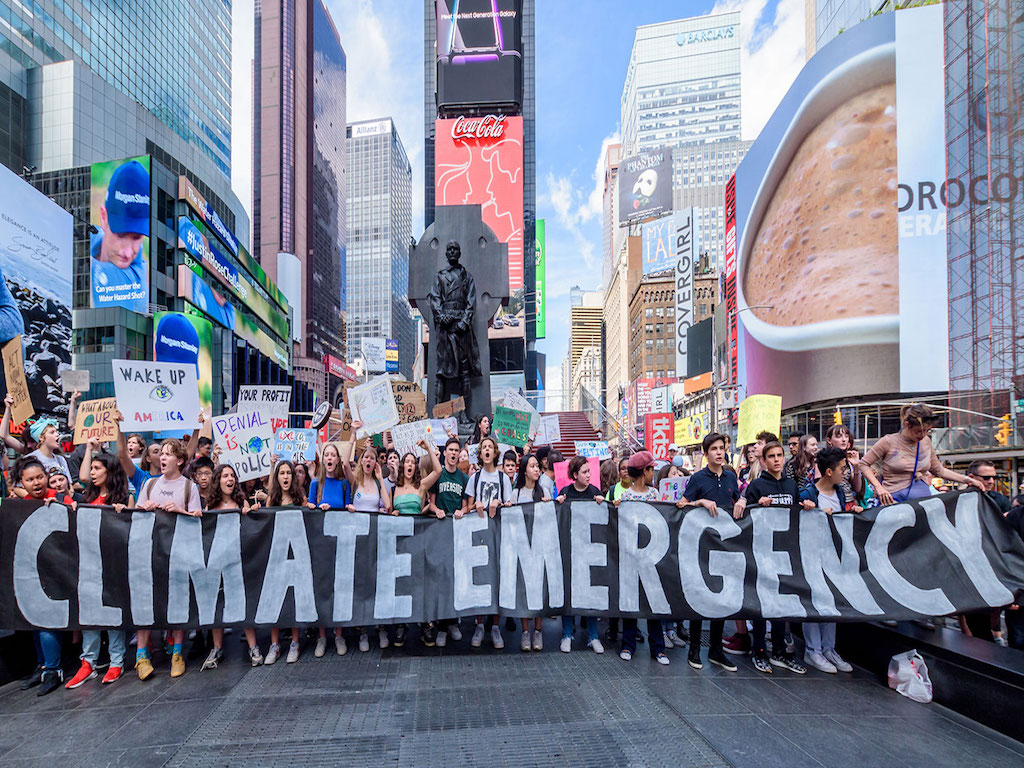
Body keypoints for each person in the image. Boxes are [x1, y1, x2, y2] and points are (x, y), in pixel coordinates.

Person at [132, 438, 202, 680]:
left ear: (180, 461)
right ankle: (142, 656)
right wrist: (144, 508)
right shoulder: (150, 484)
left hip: (179, 555)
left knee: (178, 602)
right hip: (150, 554)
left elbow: (198, 518)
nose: (162, 457)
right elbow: (135, 517)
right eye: (161, 453)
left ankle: (177, 653)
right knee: (145, 603)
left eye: (168, 454)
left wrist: (180, 511)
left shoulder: (189, 488)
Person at [738, 440, 807, 675]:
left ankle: (779, 651)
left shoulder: (791, 485)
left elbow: (796, 512)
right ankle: (759, 651)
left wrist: (807, 506)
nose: (776, 460)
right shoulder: (757, 485)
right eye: (771, 456)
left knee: (781, 603)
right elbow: (744, 515)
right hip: (762, 551)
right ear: (764, 461)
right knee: (762, 604)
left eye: (779, 455)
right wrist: (757, 505)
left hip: (785, 552)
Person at [678, 433, 741, 672]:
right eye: (714, 448)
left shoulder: (731, 477)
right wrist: (700, 502)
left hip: (724, 548)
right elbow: (681, 505)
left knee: (721, 599)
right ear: (706, 454)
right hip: (700, 546)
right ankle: (694, 648)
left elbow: (736, 501)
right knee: (699, 595)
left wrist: (743, 500)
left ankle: (716, 650)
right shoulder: (697, 478)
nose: (719, 452)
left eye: (721, 448)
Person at [12, 456, 73, 696]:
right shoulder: (18, 506)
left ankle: (53, 670)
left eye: (39, 477)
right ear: (22, 482)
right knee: (33, 623)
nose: (36, 483)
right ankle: (43, 666)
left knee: (46, 622)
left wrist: (63, 509)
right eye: (30, 480)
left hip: (58, 573)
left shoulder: (61, 498)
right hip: (31, 574)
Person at [799, 446, 863, 673]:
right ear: (829, 471)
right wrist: (814, 512)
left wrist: (853, 512)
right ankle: (812, 650)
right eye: (842, 469)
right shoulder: (808, 494)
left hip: (835, 555)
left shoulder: (840, 493)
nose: (844, 473)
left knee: (831, 601)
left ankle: (828, 648)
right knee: (814, 601)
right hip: (813, 555)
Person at [858, 404, 985, 504]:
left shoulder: (926, 442)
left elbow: (939, 470)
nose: (923, 435)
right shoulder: (888, 441)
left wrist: (968, 480)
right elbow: (863, 464)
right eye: (919, 431)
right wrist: (878, 487)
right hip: (894, 500)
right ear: (907, 425)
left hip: (921, 502)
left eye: (927, 431)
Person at [201, 464, 260, 670]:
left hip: (238, 562)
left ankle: (253, 647)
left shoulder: (241, 502)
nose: (230, 479)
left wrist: (250, 513)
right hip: (216, 563)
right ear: (218, 480)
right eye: (225, 476)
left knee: (242, 604)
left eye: (232, 476)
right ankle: (217, 648)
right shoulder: (210, 505)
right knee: (217, 605)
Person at [343, 427, 393, 651]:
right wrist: (353, 435)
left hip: (376, 540)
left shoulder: (378, 482)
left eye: (372, 459)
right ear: (362, 461)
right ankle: (362, 631)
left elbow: (388, 506)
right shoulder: (355, 481)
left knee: (377, 583)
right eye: (366, 458)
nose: (369, 461)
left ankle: (380, 628)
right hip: (358, 541)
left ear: (376, 463)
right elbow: (345, 464)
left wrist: (381, 479)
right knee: (361, 584)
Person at [616, 451, 669, 665]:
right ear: (644, 471)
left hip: (652, 559)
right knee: (631, 602)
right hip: (631, 557)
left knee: (654, 602)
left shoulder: (655, 494)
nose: (653, 473)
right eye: (651, 469)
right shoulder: (625, 497)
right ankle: (628, 645)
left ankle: (658, 648)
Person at [389, 441, 443, 647]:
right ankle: (401, 624)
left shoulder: (421, 486)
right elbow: (388, 512)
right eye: (407, 461)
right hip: (400, 542)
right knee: (402, 582)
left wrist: (428, 448)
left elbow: (438, 470)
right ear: (402, 466)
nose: (410, 464)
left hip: (418, 540)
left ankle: (425, 623)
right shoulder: (395, 489)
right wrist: (393, 513)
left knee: (420, 582)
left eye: (413, 462)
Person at [465, 437, 513, 649]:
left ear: (495, 453)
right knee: (479, 579)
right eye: (483, 447)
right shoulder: (474, 478)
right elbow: (466, 507)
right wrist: (474, 504)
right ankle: (479, 624)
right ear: (480, 453)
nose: (486, 450)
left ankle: (494, 627)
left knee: (496, 580)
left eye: (490, 447)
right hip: (478, 536)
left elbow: (510, 505)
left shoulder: (503, 479)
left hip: (498, 535)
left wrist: (499, 502)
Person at [555, 455, 605, 654]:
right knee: (569, 594)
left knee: (589, 595)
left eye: (589, 471)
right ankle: (567, 634)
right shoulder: (565, 492)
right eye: (584, 472)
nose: (588, 475)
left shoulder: (595, 492)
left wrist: (603, 503)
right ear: (575, 475)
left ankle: (593, 637)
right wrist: (558, 503)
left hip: (590, 553)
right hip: (569, 551)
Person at [258, 460, 307, 664]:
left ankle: (295, 642)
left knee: (293, 599)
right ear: (277, 477)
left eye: (288, 473)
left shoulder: (299, 497)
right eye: (282, 473)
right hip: (277, 554)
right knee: (274, 599)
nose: (285, 476)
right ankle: (275, 644)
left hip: (296, 555)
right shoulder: (273, 498)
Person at [425, 437, 470, 646]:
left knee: (456, 577)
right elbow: (431, 503)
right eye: (450, 450)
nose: (453, 453)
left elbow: (466, 505)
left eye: (456, 450)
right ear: (444, 453)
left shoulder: (463, 477)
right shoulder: (438, 475)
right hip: (440, 531)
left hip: (457, 533)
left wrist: (462, 511)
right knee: (441, 578)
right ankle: (442, 626)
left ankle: (453, 623)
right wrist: (437, 510)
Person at [90, 158, 149, 313]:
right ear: (104, 217)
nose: (128, 253)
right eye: (121, 235)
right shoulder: (92, 238)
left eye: (137, 237)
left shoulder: (133, 284)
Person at [825, 424, 863, 504]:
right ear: (829, 440)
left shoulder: (848, 460)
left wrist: (856, 466)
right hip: (832, 502)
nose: (844, 439)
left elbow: (857, 489)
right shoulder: (824, 459)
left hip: (849, 502)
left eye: (846, 436)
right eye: (839, 436)